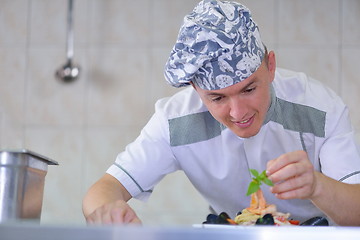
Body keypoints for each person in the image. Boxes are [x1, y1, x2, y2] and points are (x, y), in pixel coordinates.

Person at [82, 0, 360, 226]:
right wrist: (109, 211)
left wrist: (318, 187)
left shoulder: (320, 108)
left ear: (271, 66)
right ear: (195, 89)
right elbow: (104, 189)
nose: (238, 113)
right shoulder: (175, 121)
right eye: (217, 98)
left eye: (249, 89)